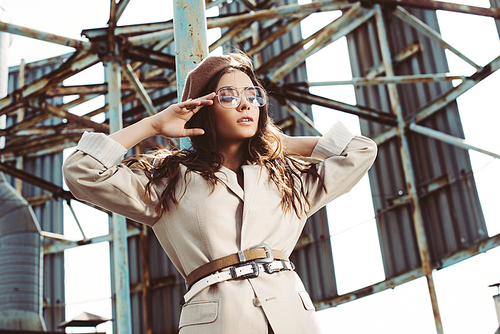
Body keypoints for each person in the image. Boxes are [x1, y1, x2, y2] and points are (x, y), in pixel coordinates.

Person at [62, 53, 377, 334]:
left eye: (252, 95)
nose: (245, 103)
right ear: (202, 109)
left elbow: (361, 150)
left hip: (292, 317)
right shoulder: (171, 181)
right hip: (217, 321)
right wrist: (153, 126)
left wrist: (276, 143)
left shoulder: (288, 180)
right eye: (228, 96)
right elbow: (81, 171)